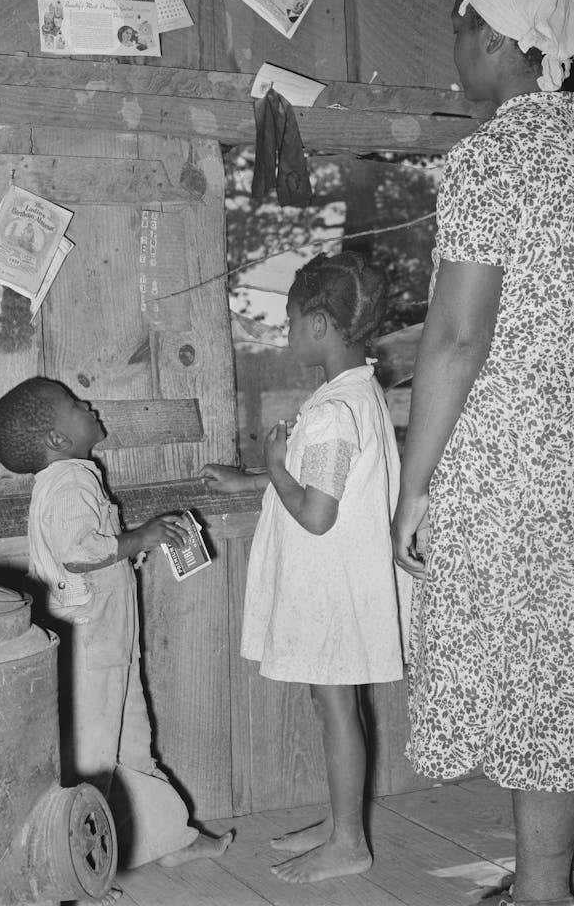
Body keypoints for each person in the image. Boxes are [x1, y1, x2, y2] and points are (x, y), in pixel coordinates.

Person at [391, 0, 574, 906]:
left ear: (496, 43)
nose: (456, 44)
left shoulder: (492, 160)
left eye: (462, 26)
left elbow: (455, 339)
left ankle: (545, 896)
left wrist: (414, 489)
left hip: (517, 453)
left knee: (542, 675)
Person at [202, 251, 408, 884]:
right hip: (346, 581)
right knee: (333, 705)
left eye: (291, 322)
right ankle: (340, 821)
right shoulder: (358, 393)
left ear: (319, 324)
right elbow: (331, 486)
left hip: (331, 586)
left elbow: (316, 513)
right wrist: (251, 480)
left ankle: (349, 841)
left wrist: (273, 466)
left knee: (336, 705)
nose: (289, 334)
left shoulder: (327, 413)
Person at [0, 378, 233, 896]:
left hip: (106, 647)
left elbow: (92, 549)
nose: (89, 405)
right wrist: (142, 536)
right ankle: (77, 872)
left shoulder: (68, 479)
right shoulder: (71, 479)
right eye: (76, 405)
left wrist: (140, 539)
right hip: (93, 650)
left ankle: (167, 840)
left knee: (131, 745)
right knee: (98, 758)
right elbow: (79, 551)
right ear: (56, 438)